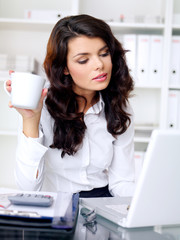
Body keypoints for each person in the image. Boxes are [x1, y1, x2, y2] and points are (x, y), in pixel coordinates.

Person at [6, 14, 135, 198]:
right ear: (64, 67)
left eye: (104, 54)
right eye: (83, 60)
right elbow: (28, 187)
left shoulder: (118, 105)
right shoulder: (41, 104)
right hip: (55, 204)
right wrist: (30, 120)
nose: (99, 65)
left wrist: (138, 206)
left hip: (101, 204)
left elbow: (122, 181)